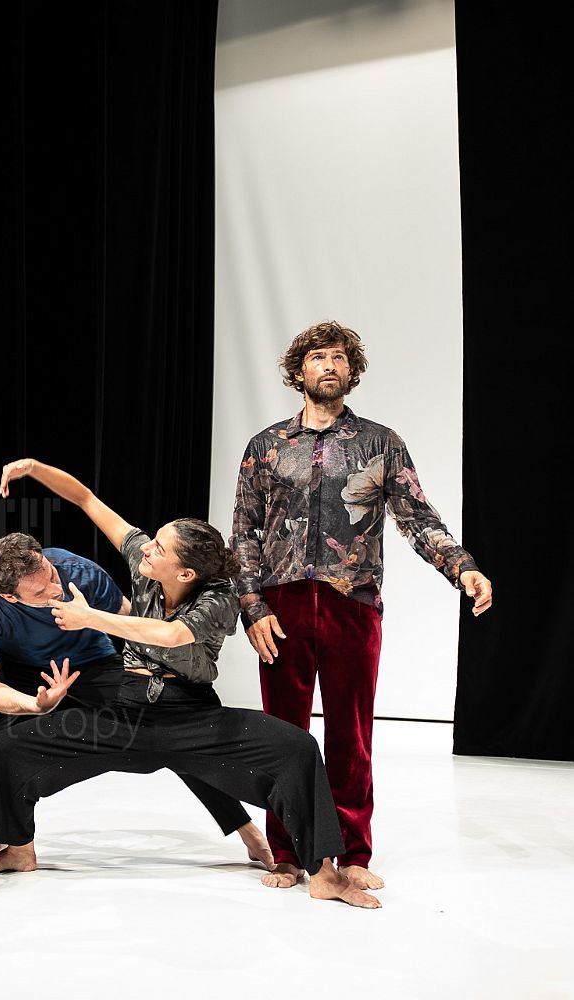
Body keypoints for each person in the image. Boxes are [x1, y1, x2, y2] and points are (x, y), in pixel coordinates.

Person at [0, 459, 378, 907]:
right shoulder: (145, 565)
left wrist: (90, 618)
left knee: (298, 748)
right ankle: (19, 849)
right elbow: (85, 499)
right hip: (126, 714)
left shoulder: (219, 597)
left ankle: (323, 872)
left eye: (159, 547)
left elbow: (172, 635)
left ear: (185, 573)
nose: (146, 548)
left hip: (192, 716)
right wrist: (35, 468)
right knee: (10, 746)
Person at [232, 321, 493, 890]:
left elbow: (417, 517)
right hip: (280, 605)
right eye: (317, 356)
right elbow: (244, 532)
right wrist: (251, 605)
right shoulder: (266, 446)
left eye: (339, 357)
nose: (328, 365)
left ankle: (352, 852)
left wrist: (462, 566)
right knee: (284, 733)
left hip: (353, 603)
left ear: (352, 371)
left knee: (350, 735)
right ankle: (287, 851)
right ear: (298, 370)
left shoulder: (380, 443)